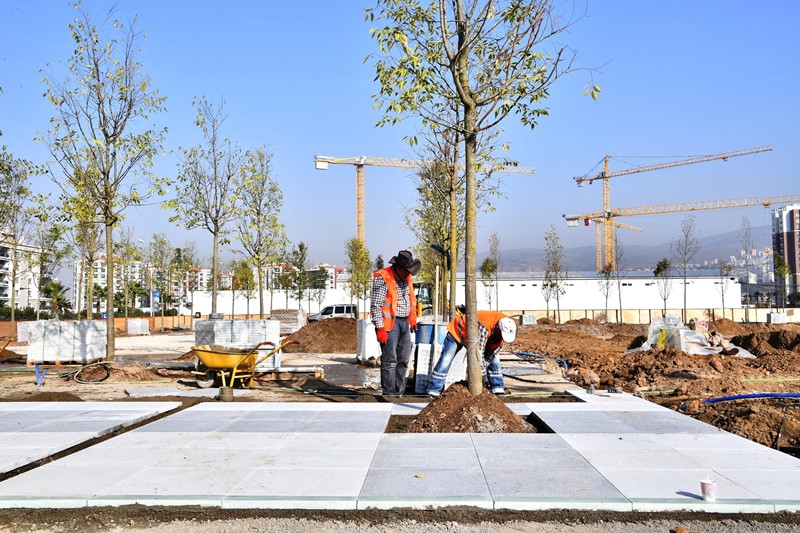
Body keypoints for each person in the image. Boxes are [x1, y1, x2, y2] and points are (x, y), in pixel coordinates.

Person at [426, 310, 516, 397]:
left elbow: (491, 354)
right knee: (446, 359)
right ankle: (434, 389)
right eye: (501, 335)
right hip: (458, 330)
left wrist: (484, 368)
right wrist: (483, 376)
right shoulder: (484, 327)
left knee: (495, 360)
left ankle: (497, 388)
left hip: (488, 336)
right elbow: (478, 353)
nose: (502, 338)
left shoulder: (508, 326)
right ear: (497, 328)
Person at [371, 250, 421, 396]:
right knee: (390, 359)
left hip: (404, 322)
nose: (408, 274)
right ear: (398, 267)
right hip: (389, 325)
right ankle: (389, 393)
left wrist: (413, 318)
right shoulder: (383, 277)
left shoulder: (407, 277)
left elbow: (410, 299)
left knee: (404, 359)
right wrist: (380, 328)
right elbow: (376, 305)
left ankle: (399, 392)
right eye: (406, 271)